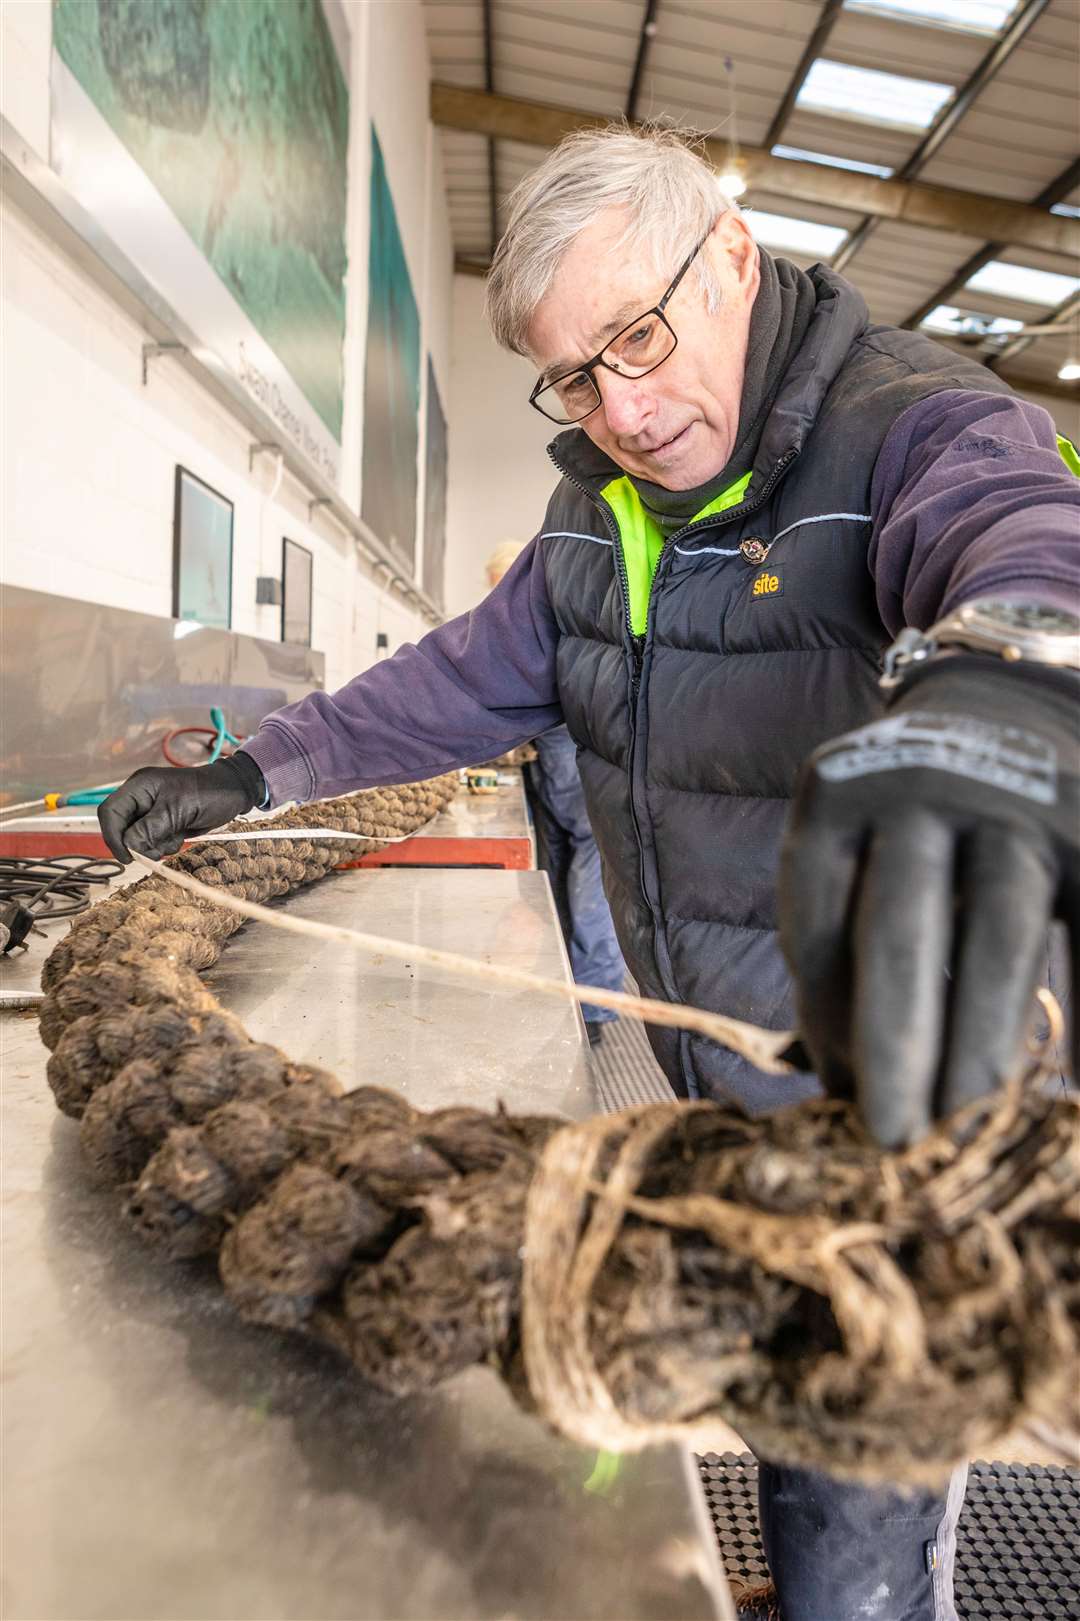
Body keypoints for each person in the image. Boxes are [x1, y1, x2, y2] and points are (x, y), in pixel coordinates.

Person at [99, 125, 1078, 1621]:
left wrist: (1014, 680)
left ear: (733, 255)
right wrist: (252, 772)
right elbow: (442, 683)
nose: (620, 405)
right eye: (576, 375)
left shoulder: (915, 428)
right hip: (747, 1083)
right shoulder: (589, 523)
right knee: (798, 1442)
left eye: (638, 335)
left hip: (922, 1099)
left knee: (866, 1487)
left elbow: (1028, 538)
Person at [486, 541, 626, 1047]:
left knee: (592, 898)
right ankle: (572, 991)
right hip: (555, 791)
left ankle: (593, 1008)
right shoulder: (527, 633)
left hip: (587, 797)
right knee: (560, 891)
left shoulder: (566, 625)